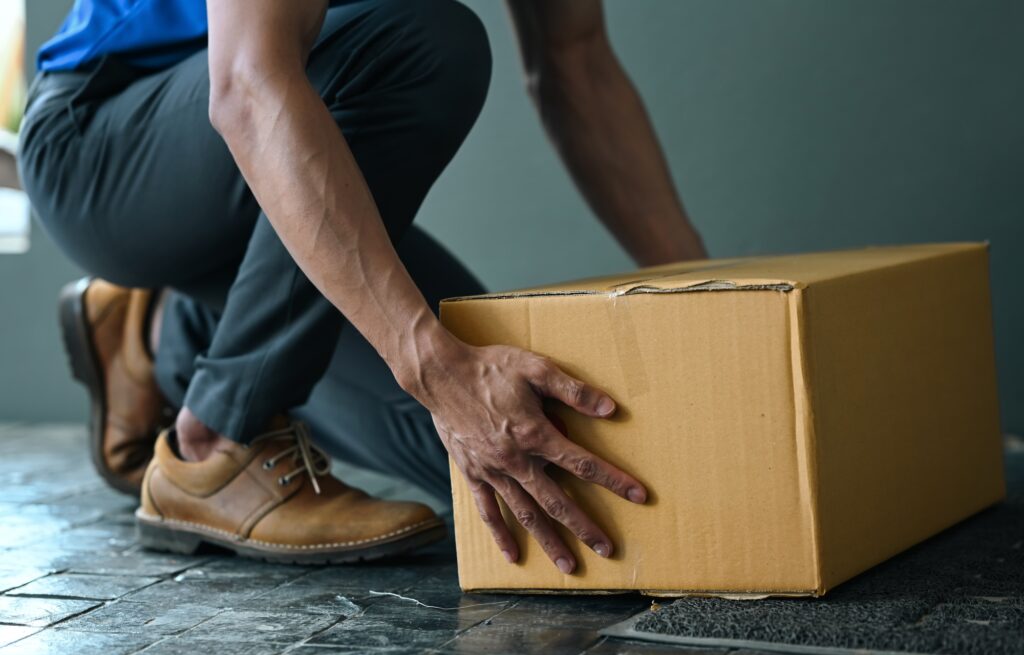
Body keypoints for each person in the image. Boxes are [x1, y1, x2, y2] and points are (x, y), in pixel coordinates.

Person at [19, 0, 707, 571]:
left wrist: (704, 295)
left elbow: (575, 61)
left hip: (271, 159)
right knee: (426, 41)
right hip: (110, 144)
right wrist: (436, 369)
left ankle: (170, 330)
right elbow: (248, 88)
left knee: (536, 466)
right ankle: (217, 441)